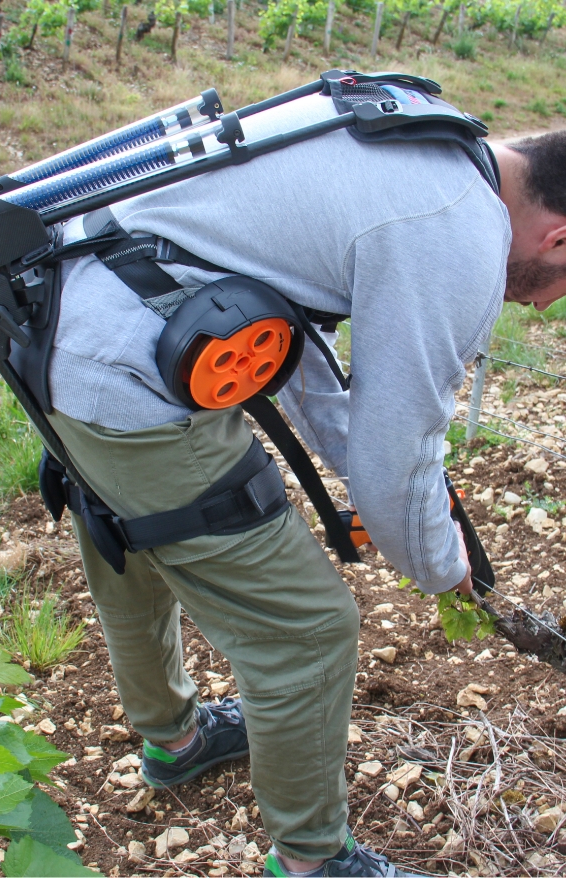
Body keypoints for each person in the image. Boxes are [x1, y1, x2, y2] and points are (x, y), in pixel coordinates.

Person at [44, 86, 566, 877]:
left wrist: (377, 486)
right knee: (309, 631)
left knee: (135, 531)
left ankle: (177, 742)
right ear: (560, 234)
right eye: (563, 282)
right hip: (123, 366)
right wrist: (443, 566)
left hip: (57, 315)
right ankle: (315, 862)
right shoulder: (453, 235)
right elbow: (396, 464)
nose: (548, 304)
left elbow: (292, 345)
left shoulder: (412, 124)